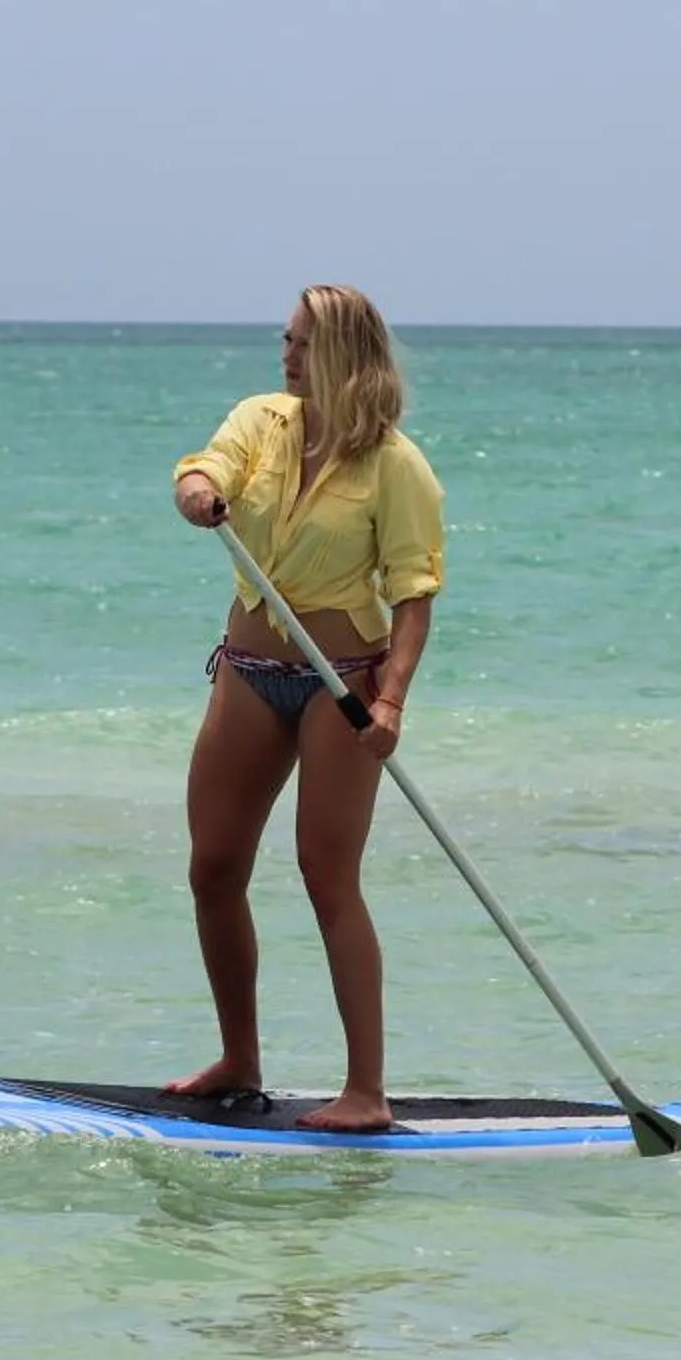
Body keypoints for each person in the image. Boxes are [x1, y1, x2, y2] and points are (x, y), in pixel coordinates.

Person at [165, 285, 445, 1132]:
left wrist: (390, 701)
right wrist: (199, 492)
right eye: (283, 340)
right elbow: (203, 468)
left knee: (328, 875)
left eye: (299, 344)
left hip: (342, 683)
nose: (284, 355)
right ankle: (239, 1059)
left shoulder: (397, 466)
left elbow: (413, 594)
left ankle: (366, 1091)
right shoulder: (263, 421)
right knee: (213, 867)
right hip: (249, 668)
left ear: (345, 356)